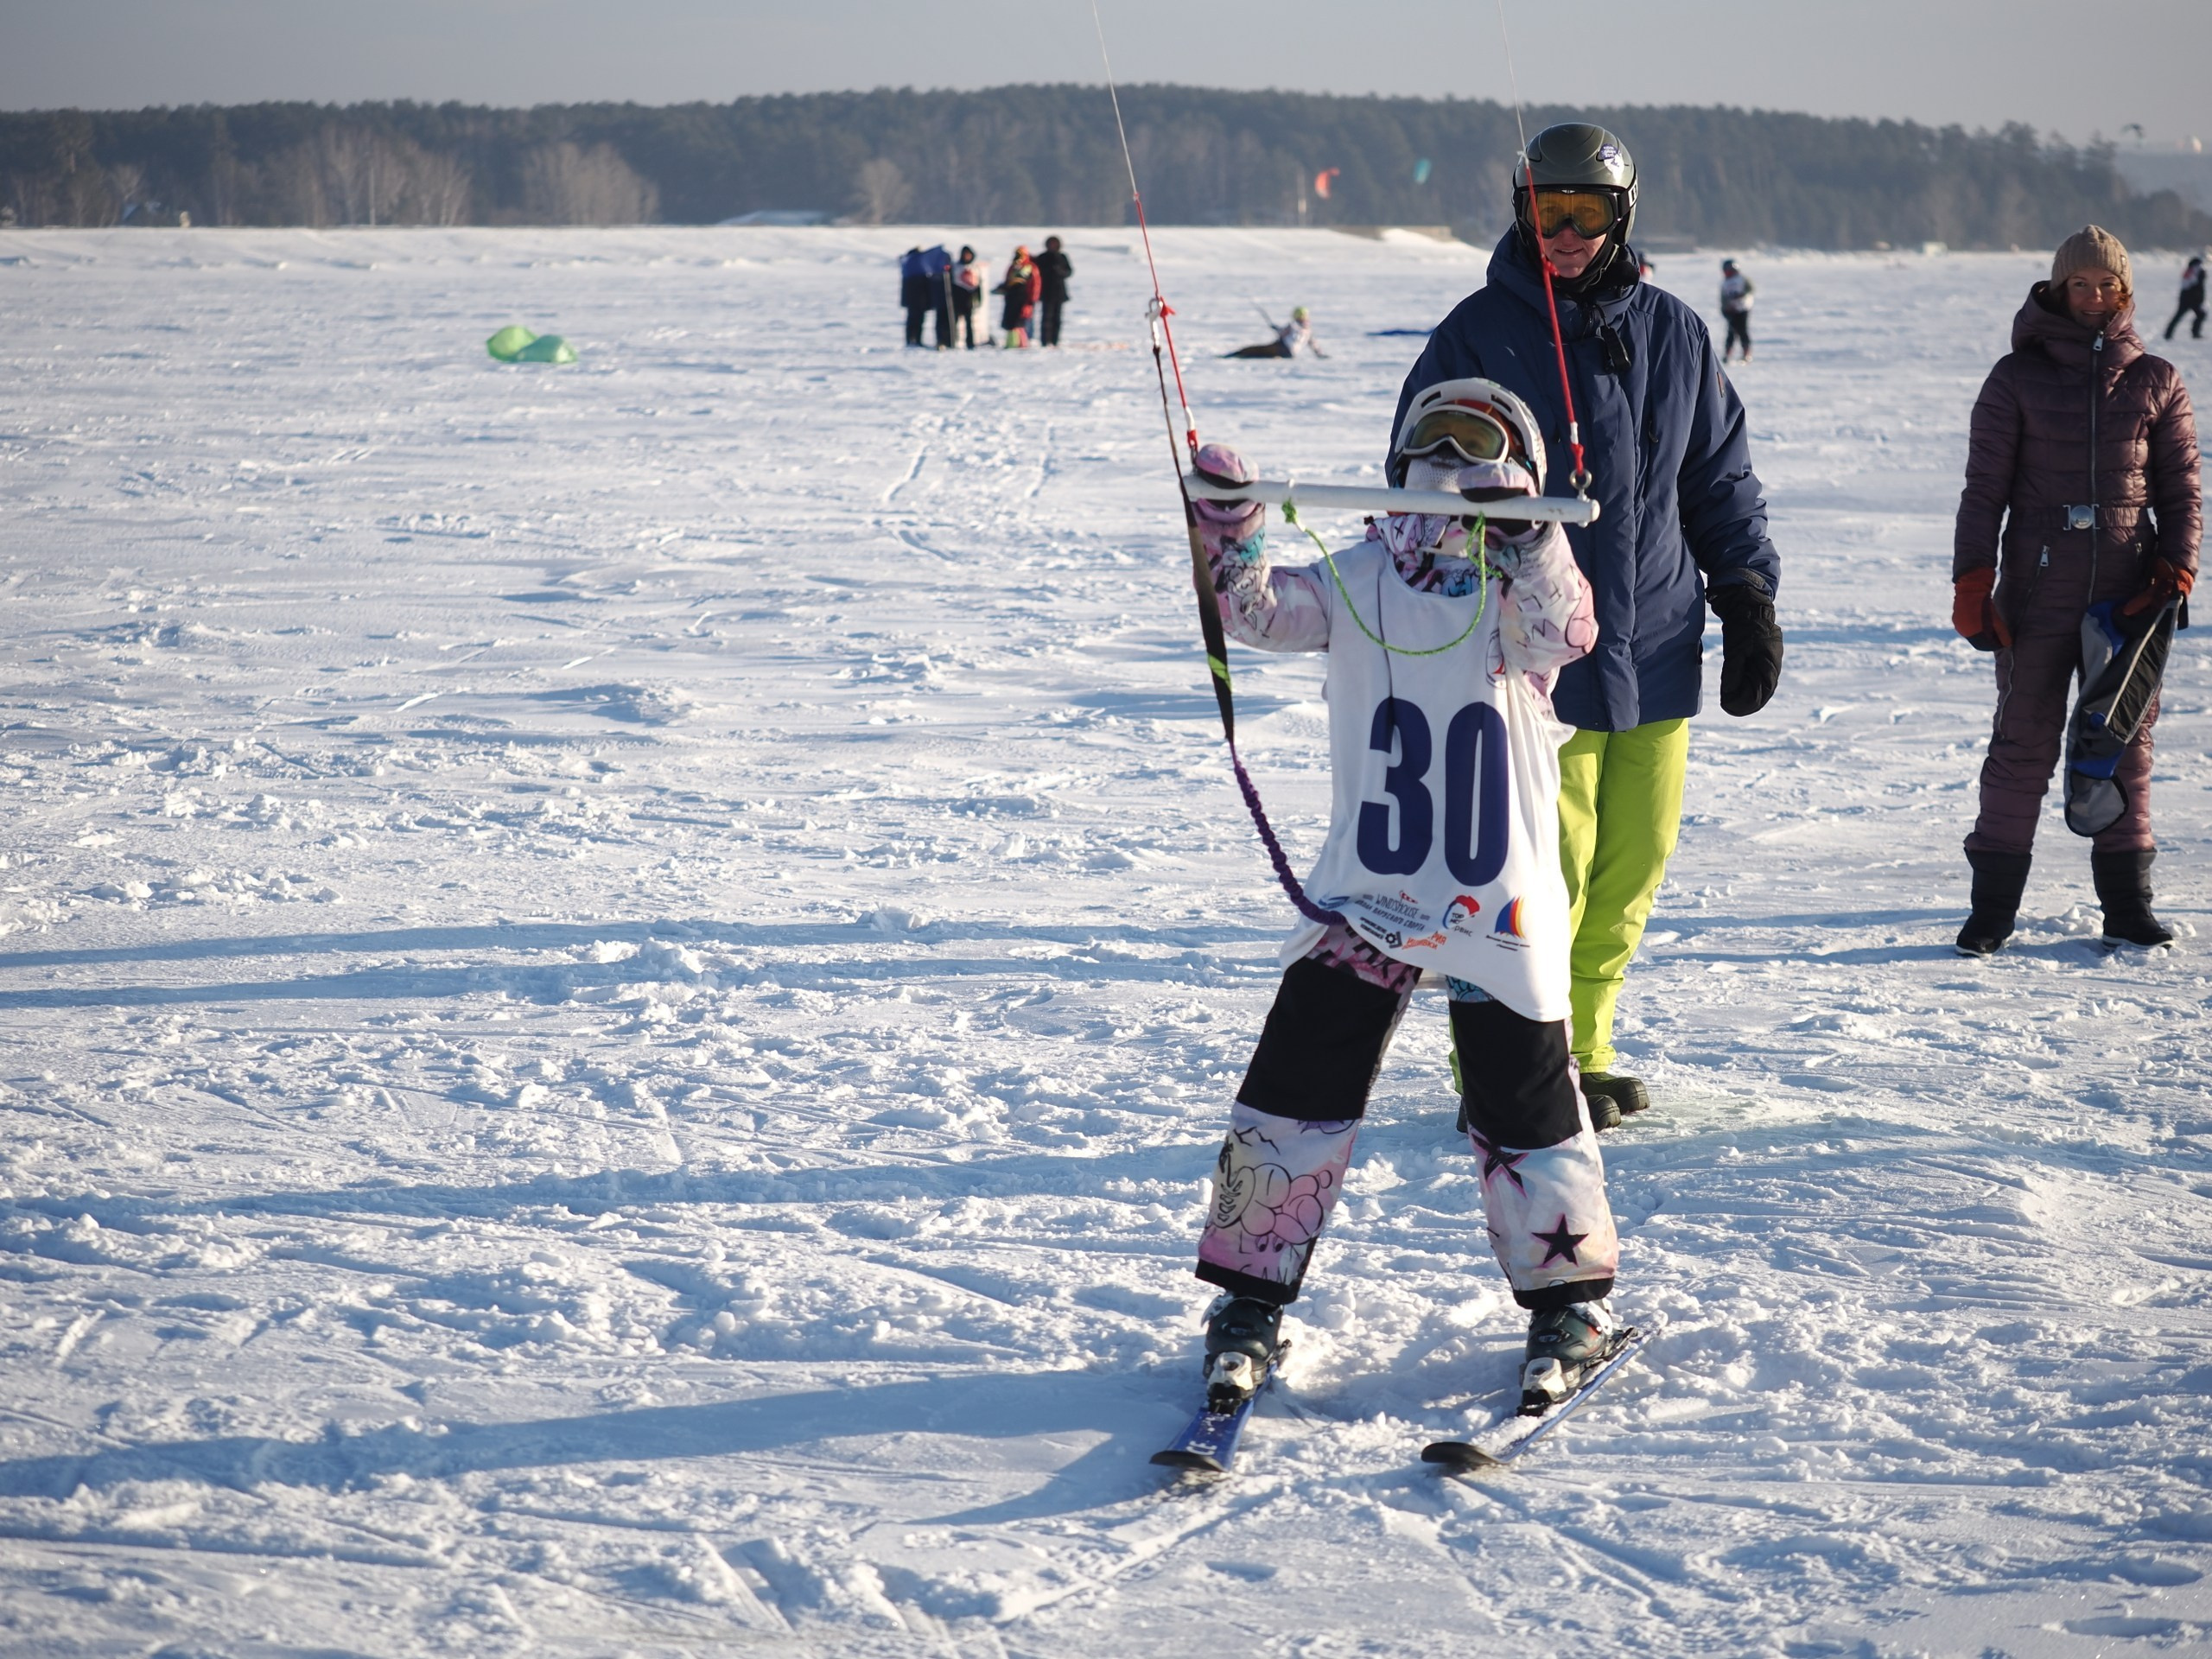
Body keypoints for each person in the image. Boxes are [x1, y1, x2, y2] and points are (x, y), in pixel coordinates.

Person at [1185, 380, 1626, 1418]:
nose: (1447, 465)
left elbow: (1567, 634)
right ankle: (1247, 1304)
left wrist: (1526, 533)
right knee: (1298, 1081)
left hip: (1495, 897)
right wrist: (1231, 522)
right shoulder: (1358, 578)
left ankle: (1569, 1305)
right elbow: (1254, 613)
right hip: (1370, 890)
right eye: (1430, 446)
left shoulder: (1516, 593)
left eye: (1473, 445)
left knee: (1523, 1095)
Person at [1390, 123, 1783, 1128]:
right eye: (1547, 212)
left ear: (1623, 216)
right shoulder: (1476, 331)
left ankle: (1589, 1045)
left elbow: (1718, 478)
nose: (1565, 234)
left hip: (1655, 643)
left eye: (1588, 213)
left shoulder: (1675, 332)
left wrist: (1744, 593)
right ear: (1523, 211)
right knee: (1538, 872)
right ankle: (1515, 1063)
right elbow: (1419, 480)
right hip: (1527, 657)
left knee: (1630, 865)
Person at [1951, 226, 2200, 953]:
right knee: (2022, 741)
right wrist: (1974, 581)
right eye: (2080, 284)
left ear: (2125, 292)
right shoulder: (2015, 377)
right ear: (2059, 289)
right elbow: (1983, 490)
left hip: (2131, 589)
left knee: (2125, 743)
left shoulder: (2156, 378)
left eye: (2107, 284)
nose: (2093, 296)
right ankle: (1992, 910)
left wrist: (2176, 569)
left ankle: (2127, 905)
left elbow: (2183, 488)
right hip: (2036, 586)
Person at [1226, 306, 1320, 359]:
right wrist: (1319, 355)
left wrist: (1274, 327)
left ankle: (1232, 355)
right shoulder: (1308, 331)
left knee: (1254, 351)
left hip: (1281, 348)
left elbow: (1282, 333)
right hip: (1291, 354)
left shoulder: (1292, 325)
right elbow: (1313, 345)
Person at [997, 245, 1040, 347]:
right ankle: (1011, 343)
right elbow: (1008, 281)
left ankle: (1022, 343)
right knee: (1010, 323)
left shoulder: (1030, 267)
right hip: (1012, 298)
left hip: (1024, 298)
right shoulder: (1012, 267)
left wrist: (1032, 299)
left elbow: (1036, 284)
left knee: (1020, 322)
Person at [1036, 235, 1074, 347]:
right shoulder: (1042, 257)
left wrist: (1059, 271)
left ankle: (1055, 340)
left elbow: (1069, 272)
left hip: (1059, 292)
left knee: (1057, 318)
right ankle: (1045, 341)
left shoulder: (1062, 257)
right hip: (1046, 292)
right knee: (1046, 318)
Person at [950, 245, 985, 348]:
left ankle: (970, 343)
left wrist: (979, 298)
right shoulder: (956, 267)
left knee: (969, 322)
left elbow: (978, 284)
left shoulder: (974, 268)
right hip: (957, 298)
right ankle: (953, 341)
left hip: (969, 299)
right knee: (954, 321)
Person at [1719, 258, 1754, 362]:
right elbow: (1723, 298)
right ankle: (1727, 354)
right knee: (1731, 332)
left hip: (1743, 309)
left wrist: (1743, 296)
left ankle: (1746, 353)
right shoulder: (1725, 283)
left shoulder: (1742, 279)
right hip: (1731, 311)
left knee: (1743, 331)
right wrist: (1725, 309)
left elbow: (1751, 289)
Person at [2166, 253, 2206, 341]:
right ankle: (2194, 333)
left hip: (2188, 299)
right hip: (2191, 299)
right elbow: (2192, 285)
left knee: (2198, 315)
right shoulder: (2196, 271)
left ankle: (2168, 334)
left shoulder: (2190, 270)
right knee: (2199, 315)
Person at [899, 246, 932, 348]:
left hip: (917, 300)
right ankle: (913, 340)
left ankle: (914, 340)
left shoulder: (909, 269)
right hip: (916, 300)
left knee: (916, 321)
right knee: (915, 321)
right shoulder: (916, 269)